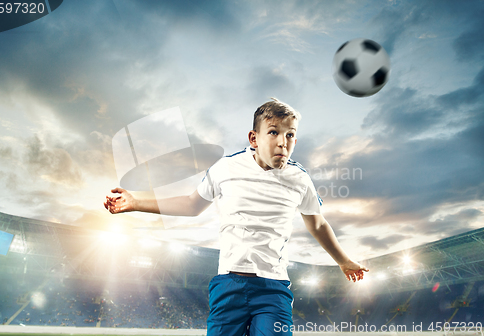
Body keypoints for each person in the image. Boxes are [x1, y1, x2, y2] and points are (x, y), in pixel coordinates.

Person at [104, 98, 369, 335]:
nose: (282, 141)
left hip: (273, 288)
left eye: (290, 135)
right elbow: (191, 204)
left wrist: (343, 261)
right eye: (274, 132)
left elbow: (317, 223)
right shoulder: (225, 167)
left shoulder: (300, 179)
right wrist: (136, 201)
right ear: (254, 138)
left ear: (295, 141)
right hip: (229, 284)